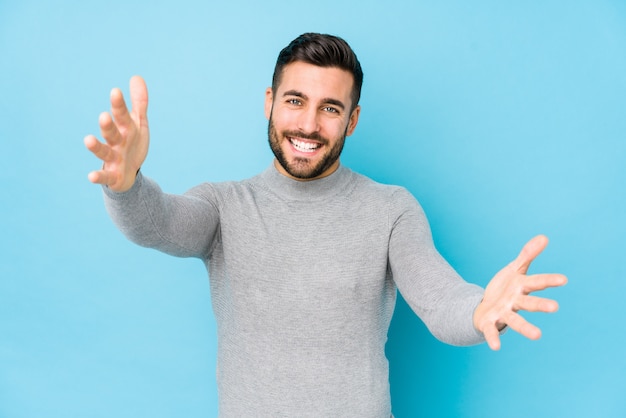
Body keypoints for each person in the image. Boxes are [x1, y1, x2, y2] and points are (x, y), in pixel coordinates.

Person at [84, 33, 567, 417]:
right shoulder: (224, 206)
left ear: (352, 120)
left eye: (330, 108)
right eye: (295, 100)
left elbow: (440, 299)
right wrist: (125, 185)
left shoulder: (391, 209)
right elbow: (159, 222)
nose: (309, 125)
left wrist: (482, 309)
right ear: (270, 101)